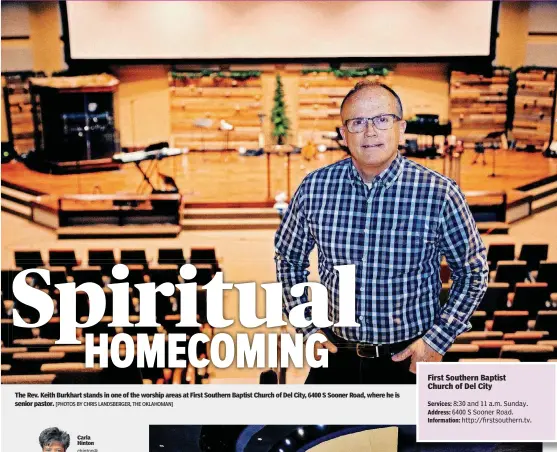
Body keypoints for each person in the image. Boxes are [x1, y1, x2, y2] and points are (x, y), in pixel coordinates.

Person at [275, 80, 488, 384]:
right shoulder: (314, 188)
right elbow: (288, 260)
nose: (370, 132)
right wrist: (307, 329)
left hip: (411, 357)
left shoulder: (440, 193)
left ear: (401, 129)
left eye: (382, 120)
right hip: (337, 355)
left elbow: (473, 273)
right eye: (357, 122)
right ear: (342, 134)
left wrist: (438, 339)